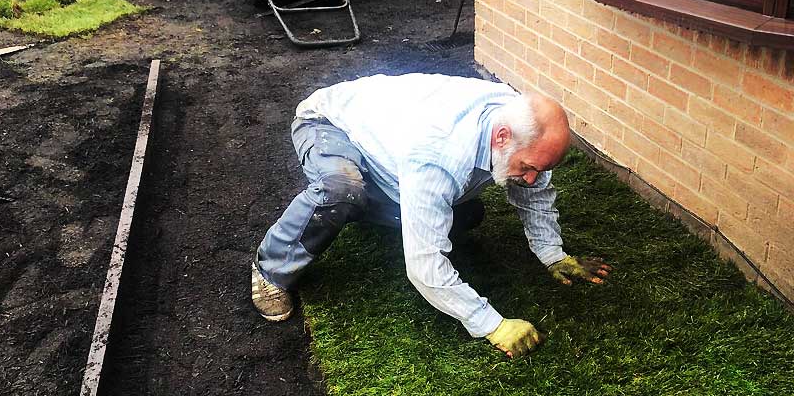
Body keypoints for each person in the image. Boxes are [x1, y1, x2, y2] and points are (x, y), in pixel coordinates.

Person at [251, 73, 612, 358]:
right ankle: (271, 270)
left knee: (465, 214)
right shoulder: (438, 155)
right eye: (529, 168)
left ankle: (366, 203)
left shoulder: (517, 121)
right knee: (342, 191)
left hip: (395, 145)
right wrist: (492, 325)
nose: (531, 178)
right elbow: (424, 268)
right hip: (330, 125)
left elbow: (535, 191)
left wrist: (553, 254)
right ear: (502, 138)